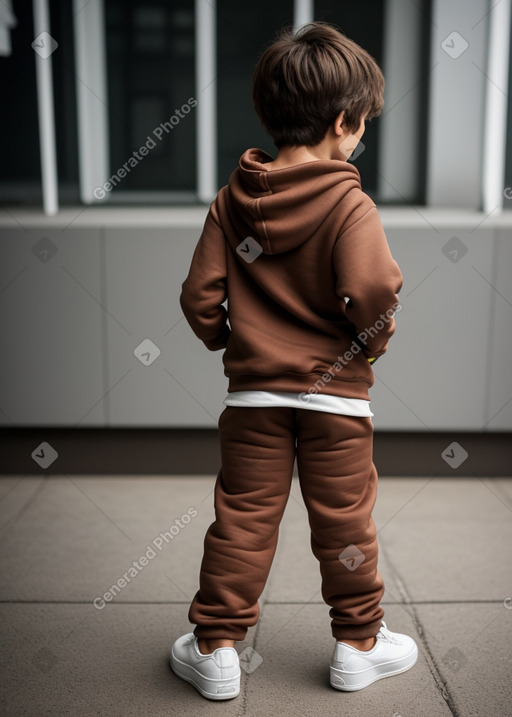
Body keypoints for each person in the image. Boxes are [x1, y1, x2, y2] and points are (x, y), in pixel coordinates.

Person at [170, 21, 418, 701]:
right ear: (343, 122)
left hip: (253, 400)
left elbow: (199, 298)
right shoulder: (349, 203)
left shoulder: (231, 203)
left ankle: (217, 647)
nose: (362, 133)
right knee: (345, 522)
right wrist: (370, 346)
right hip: (337, 402)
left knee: (243, 517)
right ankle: (359, 644)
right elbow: (372, 293)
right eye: (364, 122)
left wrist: (233, 344)